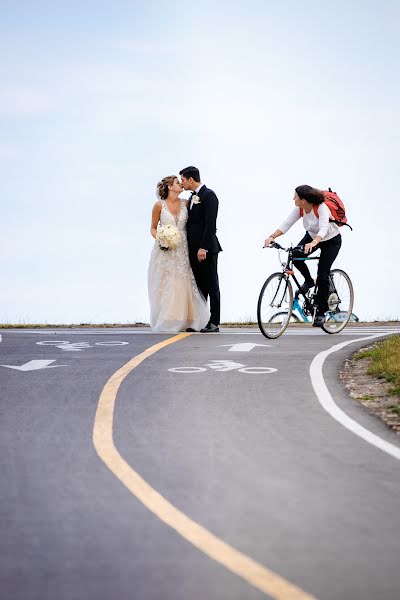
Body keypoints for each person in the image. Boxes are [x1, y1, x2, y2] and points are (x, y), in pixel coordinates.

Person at [264, 185, 342, 327]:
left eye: (295, 196)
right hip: (312, 237)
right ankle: (308, 281)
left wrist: (314, 243)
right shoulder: (300, 208)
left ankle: (320, 313)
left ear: (304, 200)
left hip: (331, 240)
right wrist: (272, 236)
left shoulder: (321, 207)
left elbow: (324, 228)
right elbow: (287, 223)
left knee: (322, 274)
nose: (293, 198)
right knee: (294, 256)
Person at [148, 175, 209, 332]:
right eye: (177, 182)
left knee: (184, 282)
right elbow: (153, 228)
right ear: (169, 187)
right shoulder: (158, 206)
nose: (181, 184)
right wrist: (162, 238)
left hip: (183, 248)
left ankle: (187, 319)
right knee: (168, 284)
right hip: (165, 251)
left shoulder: (187, 203)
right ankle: (168, 320)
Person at [179, 166, 222, 333]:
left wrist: (203, 247)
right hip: (193, 248)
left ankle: (214, 322)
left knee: (212, 284)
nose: (182, 183)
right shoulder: (192, 197)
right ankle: (201, 321)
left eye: (182, 180)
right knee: (199, 286)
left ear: (191, 179)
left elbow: (210, 224)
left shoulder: (209, 195)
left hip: (207, 248)